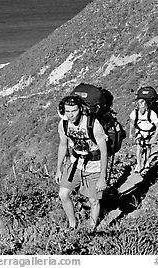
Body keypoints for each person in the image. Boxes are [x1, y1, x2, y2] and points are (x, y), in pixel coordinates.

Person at [55, 95, 108, 230]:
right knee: (63, 194)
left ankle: (91, 227)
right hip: (75, 163)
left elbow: (104, 152)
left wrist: (102, 177)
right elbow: (63, 145)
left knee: (94, 200)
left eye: (74, 111)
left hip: (94, 165)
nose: (71, 115)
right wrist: (58, 169)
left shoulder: (93, 124)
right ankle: (73, 224)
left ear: (80, 109)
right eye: (67, 111)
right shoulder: (64, 124)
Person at [129, 96, 158, 174]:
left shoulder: (152, 114)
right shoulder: (135, 113)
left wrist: (154, 137)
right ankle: (139, 165)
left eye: (142, 105)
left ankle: (146, 162)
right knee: (139, 148)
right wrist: (130, 133)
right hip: (139, 132)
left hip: (149, 132)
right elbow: (132, 123)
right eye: (139, 106)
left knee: (147, 147)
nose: (141, 108)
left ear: (146, 106)